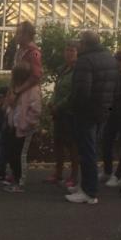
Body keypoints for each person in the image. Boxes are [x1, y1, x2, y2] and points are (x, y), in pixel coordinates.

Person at [0, 21, 42, 184]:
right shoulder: (20, 51)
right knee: (0, 132)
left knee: (7, 136)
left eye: (19, 33)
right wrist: (9, 95)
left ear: (28, 35)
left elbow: (35, 76)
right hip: (13, 97)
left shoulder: (33, 53)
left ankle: (11, 173)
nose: (16, 36)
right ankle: (2, 169)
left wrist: (17, 91)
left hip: (22, 100)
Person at [65, 31, 118, 205]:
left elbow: (82, 91)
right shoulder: (109, 58)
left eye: (80, 42)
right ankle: (85, 186)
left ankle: (89, 192)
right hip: (103, 110)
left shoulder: (85, 61)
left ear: (85, 44)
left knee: (87, 151)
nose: (78, 46)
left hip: (86, 112)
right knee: (91, 149)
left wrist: (73, 107)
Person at [3, 62, 42, 193]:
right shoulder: (16, 88)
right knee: (13, 153)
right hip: (14, 125)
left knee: (20, 154)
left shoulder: (32, 90)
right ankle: (15, 177)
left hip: (23, 127)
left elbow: (35, 111)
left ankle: (20, 181)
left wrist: (27, 124)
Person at [45, 41, 79, 189]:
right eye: (67, 50)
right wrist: (52, 103)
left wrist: (58, 106)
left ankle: (74, 175)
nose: (69, 53)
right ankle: (58, 173)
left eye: (72, 50)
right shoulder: (63, 69)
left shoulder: (78, 71)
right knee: (57, 142)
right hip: (58, 111)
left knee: (72, 145)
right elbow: (57, 89)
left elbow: (73, 93)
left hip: (70, 112)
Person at [100, 51, 121, 187]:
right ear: (118, 62)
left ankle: (118, 175)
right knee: (106, 141)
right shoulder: (113, 75)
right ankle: (107, 171)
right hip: (112, 113)